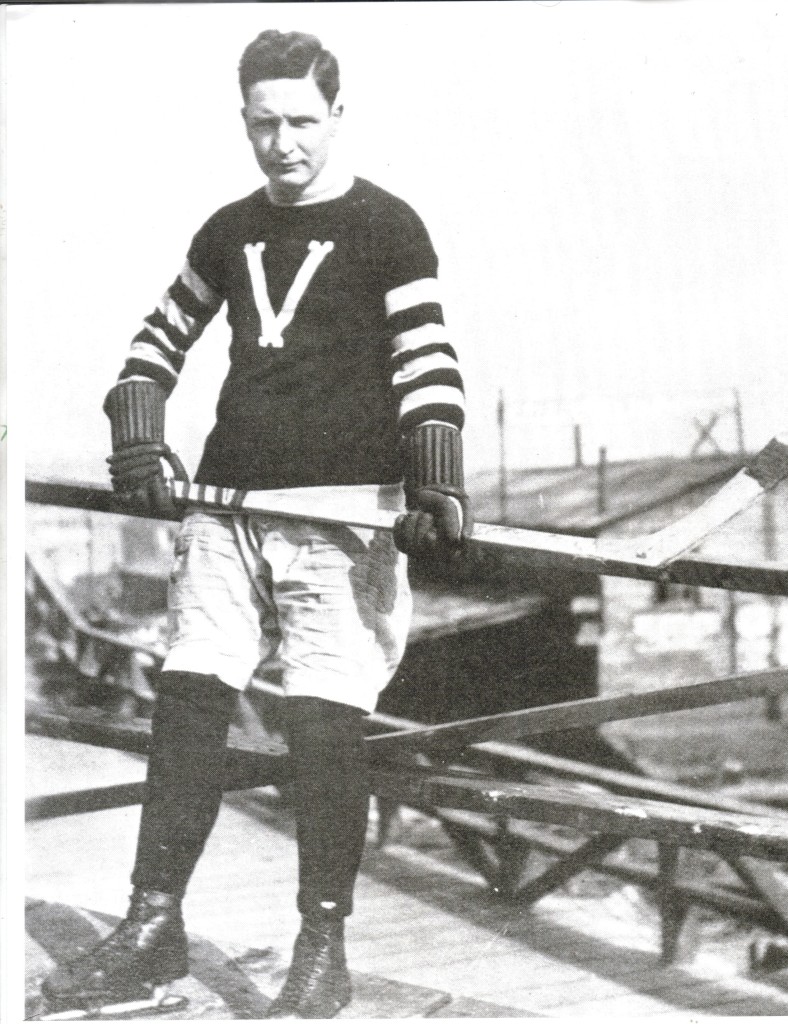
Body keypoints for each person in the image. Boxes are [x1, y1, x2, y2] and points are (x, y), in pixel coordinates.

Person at [42, 29, 471, 1020]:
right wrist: (139, 435)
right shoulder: (226, 230)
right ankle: (153, 927)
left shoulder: (388, 227)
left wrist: (435, 473)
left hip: (339, 518)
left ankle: (322, 950)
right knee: (189, 694)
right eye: (263, 123)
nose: (283, 143)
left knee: (323, 721)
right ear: (243, 120)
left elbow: (427, 362)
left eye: (302, 122)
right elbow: (152, 345)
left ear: (336, 114)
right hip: (229, 506)